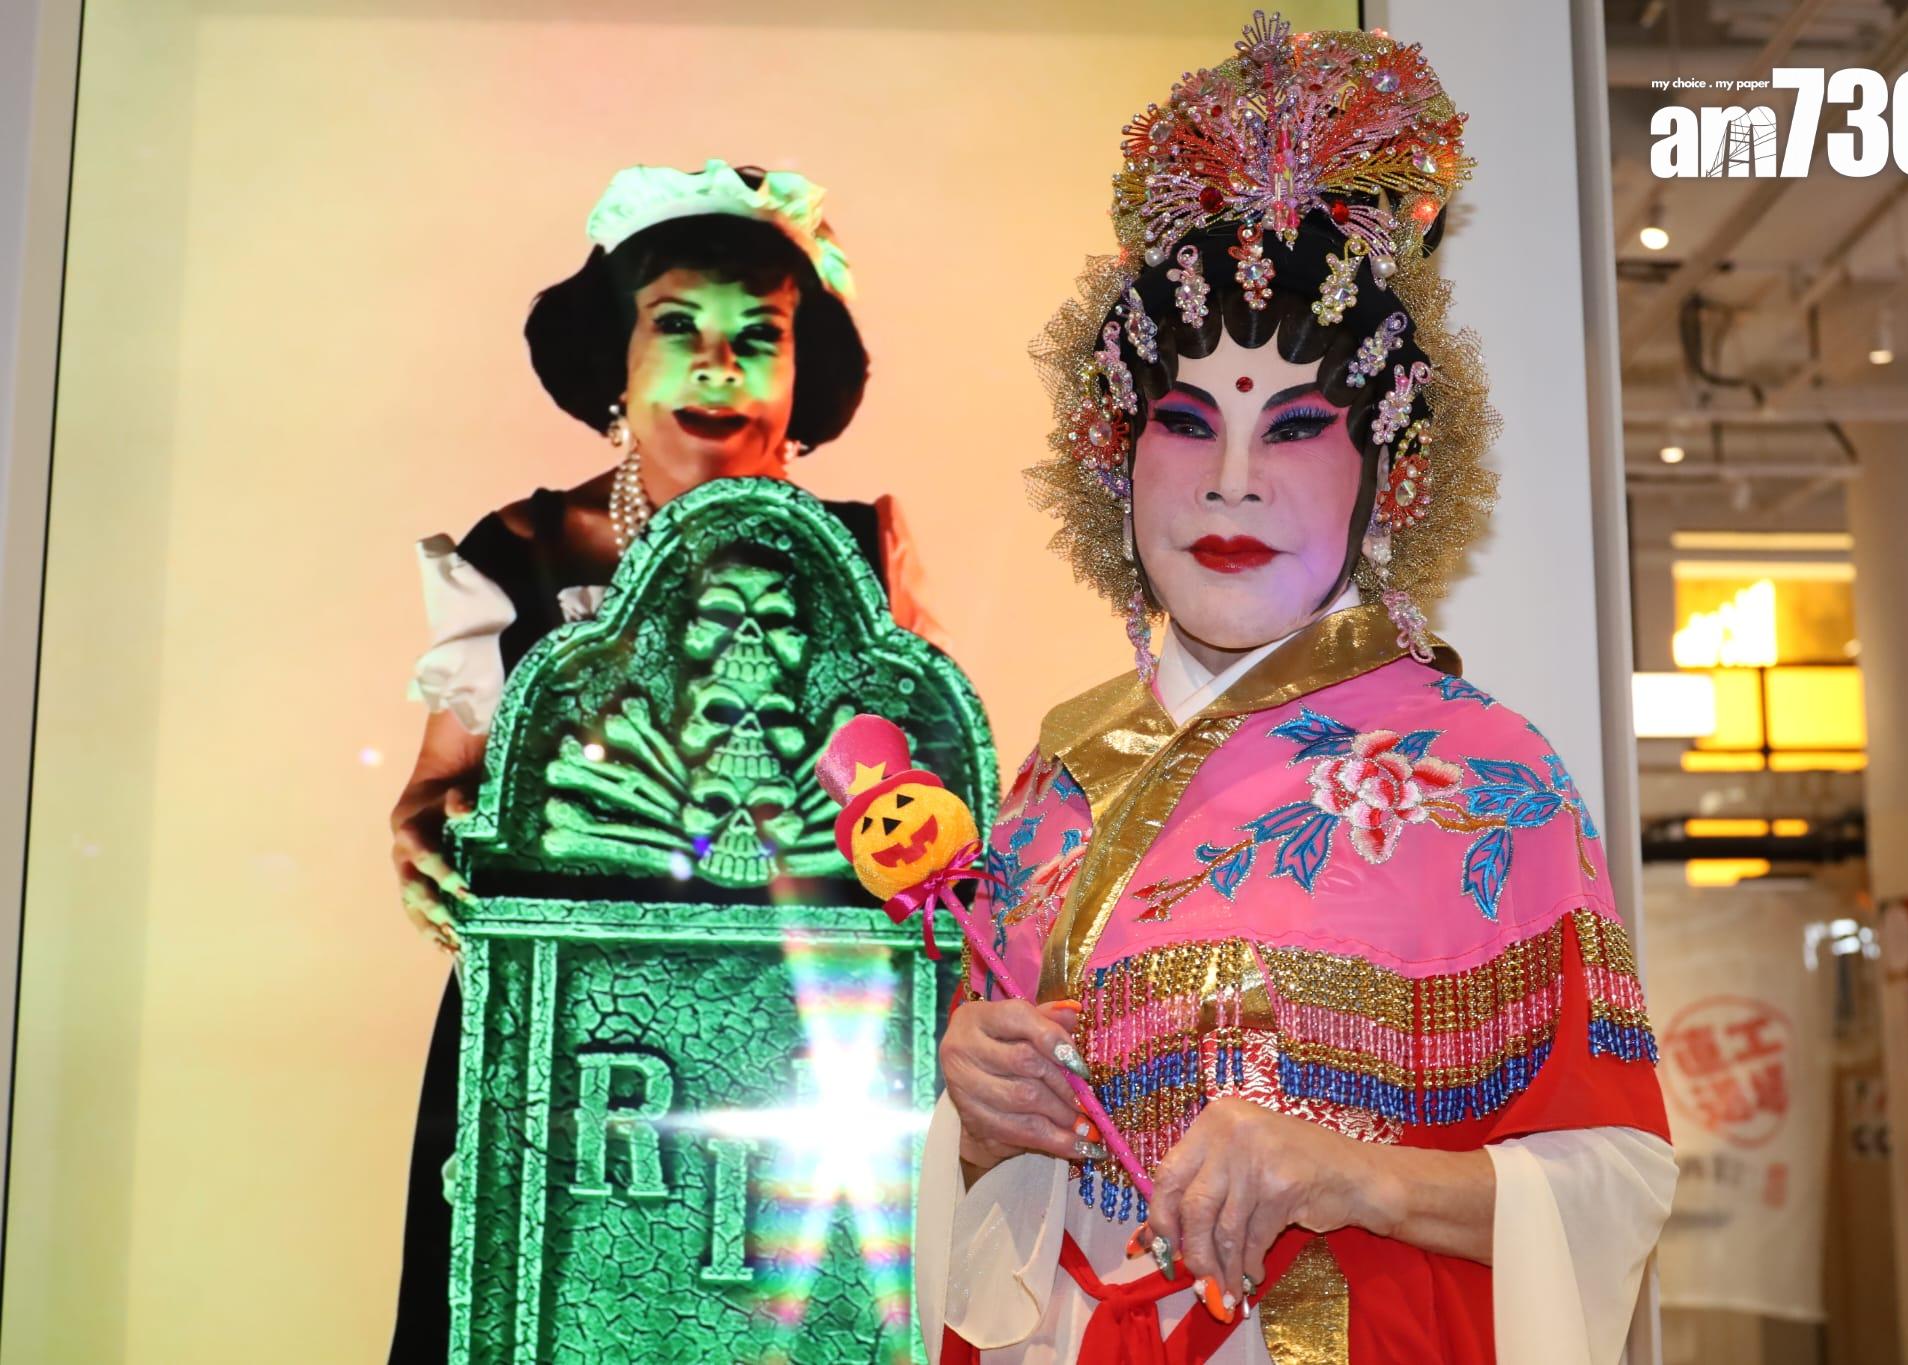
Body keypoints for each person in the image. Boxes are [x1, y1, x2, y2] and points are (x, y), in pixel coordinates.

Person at [917, 18, 1674, 1364]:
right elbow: (1005, 1223)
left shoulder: (1487, 777)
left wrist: (1354, 1176)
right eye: (1184, 422)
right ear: (1115, 458)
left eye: (1297, 427)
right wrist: (975, 1120)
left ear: (1391, 473)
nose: (1230, 485)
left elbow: (1617, 1181)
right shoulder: (1051, 781)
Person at [386, 160, 938, 1361]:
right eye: (677, 325)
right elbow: (437, 784)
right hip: (557, 1040)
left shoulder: (863, 556)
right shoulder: (516, 552)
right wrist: (424, 829)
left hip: (792, 1046)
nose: (717, 364)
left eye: (758, 336)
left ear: (800, 373)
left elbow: (916, 796)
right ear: (618, 362)